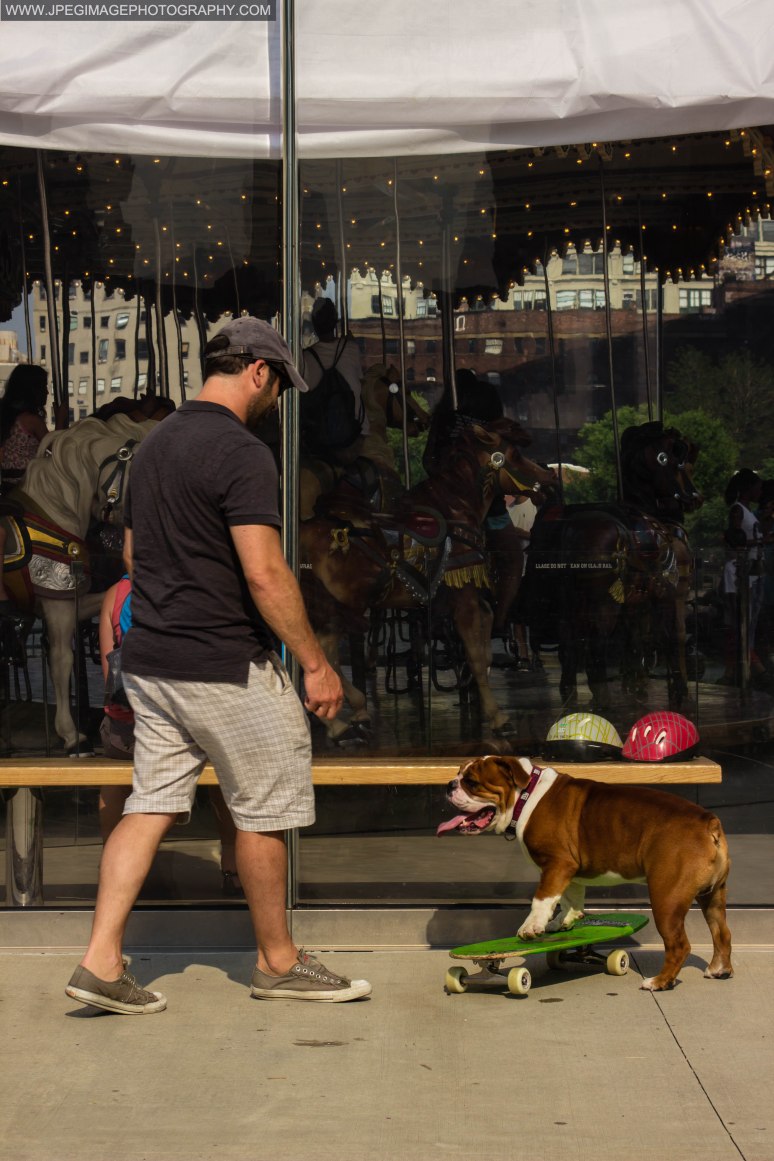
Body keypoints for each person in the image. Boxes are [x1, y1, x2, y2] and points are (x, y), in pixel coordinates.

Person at [65, 316, 372, 1014]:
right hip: (223, 664)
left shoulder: (154, 446)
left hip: (153, 664)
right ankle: (278, 960)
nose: (276, 401)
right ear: (258, 371)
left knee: (149, 804)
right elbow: (265, 573)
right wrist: (317, 665)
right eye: (278, 386)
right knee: (263, 806)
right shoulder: (241, 452)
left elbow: (136, 559)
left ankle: (100, 959)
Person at [97, 576, 245, 896]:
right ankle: (232, 858)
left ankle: (113, 862)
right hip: (180, 727)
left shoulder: (115, 593)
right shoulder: (187, 586)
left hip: (125, 731)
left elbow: (110, 673)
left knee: (114, 775)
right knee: (223, 764)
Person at [0, 364, 68, 609]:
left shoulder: (6, 415)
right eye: (44, 388)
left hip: (6, 485)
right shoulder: (32, 420)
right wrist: (60, 420)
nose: (48, 392)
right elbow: (57, 452)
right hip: (27, 487)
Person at [299, 298, 368, 518]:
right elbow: (360, 381)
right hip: (355, 437)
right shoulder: (351, 348)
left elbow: (304, 392)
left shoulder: (306, 357)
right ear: (336, 321)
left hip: (321, 442)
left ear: (315, 325)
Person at [719, 468, 769, 686]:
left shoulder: (747, 510)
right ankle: (750, 666)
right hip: (740, 572)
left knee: (749, 620)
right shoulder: (738, 510)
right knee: (741, 620)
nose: (760, 491)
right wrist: (759, 542)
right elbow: (734, 539)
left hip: (753, 572)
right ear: (748, 489)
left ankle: (742, 666)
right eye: (757, 487)